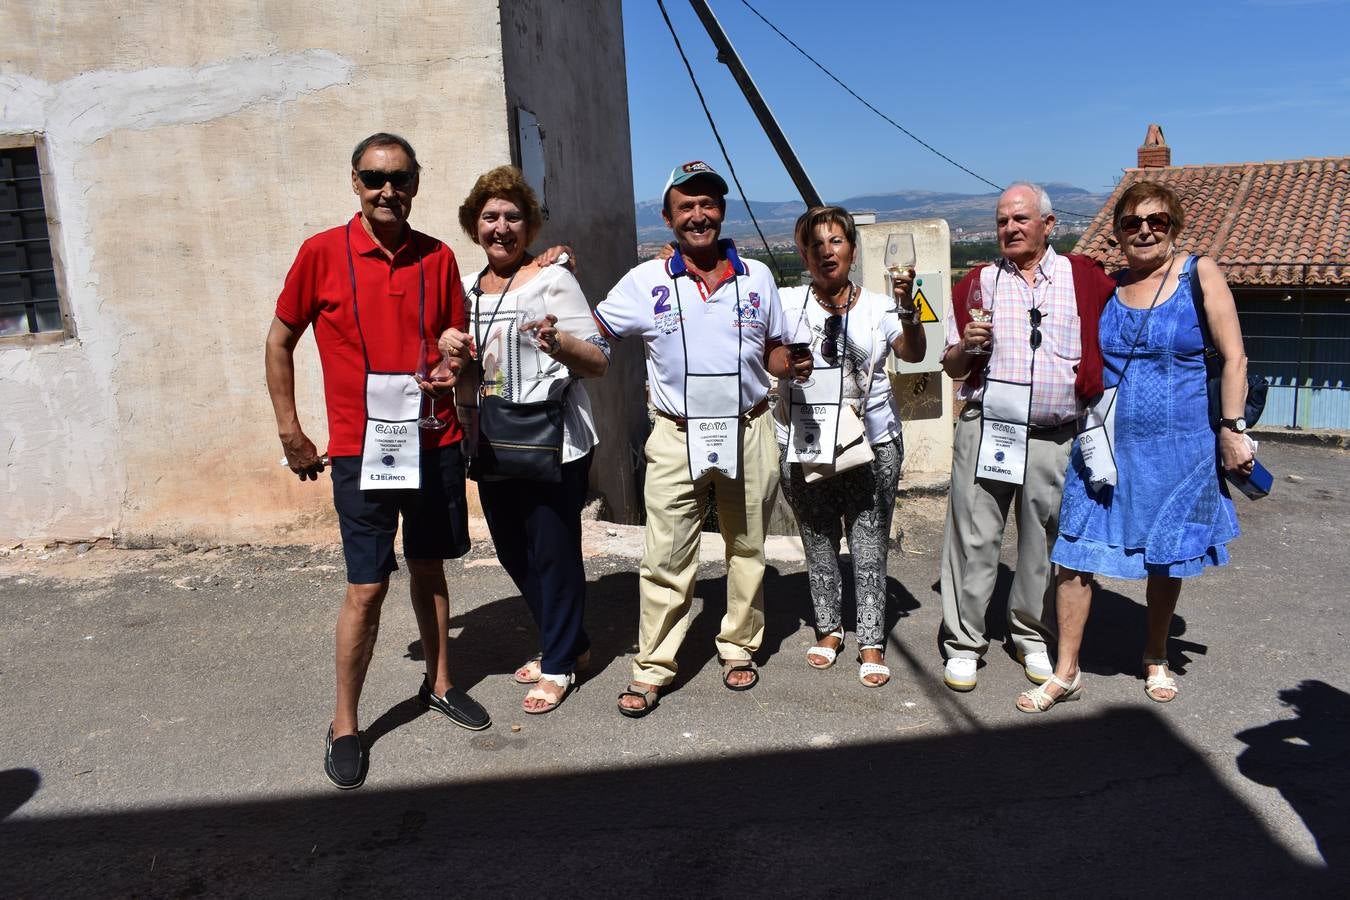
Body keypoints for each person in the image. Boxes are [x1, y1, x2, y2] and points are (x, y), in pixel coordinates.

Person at [265, 132, 489, 790]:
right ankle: (344, 724)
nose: (386, 190)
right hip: (362, 454)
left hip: (433, 443)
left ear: (416, 184)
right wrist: (290, 432)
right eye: (373, 178)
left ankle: (440, 684)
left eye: (399, 178)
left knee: (430, 568)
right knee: (366, 587)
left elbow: (455, 350)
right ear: (355, 183)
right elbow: (280, 341)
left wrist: (456, 364)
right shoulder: (321, 254)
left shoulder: (439, 258)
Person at [1017, 181, 1252, 712]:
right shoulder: (1109, 287)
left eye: (1157, 221)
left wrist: (1233, 429)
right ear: (1118, 232)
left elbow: (1234, 357)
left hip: (1179, 449)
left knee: (1164, 559)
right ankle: (1066, 671)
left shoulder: (1199, 274)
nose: (1144, 230)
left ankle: (1154, 653)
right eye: (1132, 222)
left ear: (1174, 227)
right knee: (1074, 555)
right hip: (1106, 446)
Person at [593, 160, 800, 717]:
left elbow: (775, 350)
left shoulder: (757, 277)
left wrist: (791, 364)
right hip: (675, 435)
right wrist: (546, 272)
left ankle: (738, 647)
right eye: (686, 205)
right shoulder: (646, 280)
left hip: (749, 428)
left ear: (721, 212)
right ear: (668, 216)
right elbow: (596, 330)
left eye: (708, 203)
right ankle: (654, 667)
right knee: (664, 555)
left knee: (749, 547)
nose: (698, 215)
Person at [437, 166, 609, 715]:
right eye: (490, 217)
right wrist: (450, 355)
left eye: (513, 216)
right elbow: (463, 372)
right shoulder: (464, 288)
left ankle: (559, 662)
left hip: (552, 440)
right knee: (513, 551)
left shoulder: (553, 279)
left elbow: (599, 359)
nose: (502, 227)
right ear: (474, 224)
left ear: (529, 224)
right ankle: (573, 642)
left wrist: (556, 341)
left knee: (554, 552)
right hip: (488, 438)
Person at [939, 182, 1115, 693]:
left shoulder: (1081, 280)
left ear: (1048, 224)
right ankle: (964, 641)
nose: (1010, 228)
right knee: (975, 537)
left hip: (1055, 436)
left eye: (1020, 219)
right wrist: (966, 349)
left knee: (1044, 541)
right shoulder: (977, 283)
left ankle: (1030, 634)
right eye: (1001, 221)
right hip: (989, 427)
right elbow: (950, 365)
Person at [775, 206, 926, 687]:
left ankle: (871, 637)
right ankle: (829, 628)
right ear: (803, 253)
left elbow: (914, 352)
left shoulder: (880, 306)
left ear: (852, 250)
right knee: (817, 538)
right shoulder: (787, 301)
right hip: (805, 439)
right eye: (815, 244)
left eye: (836, 241)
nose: (826, 252)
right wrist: (784, 365)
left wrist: (908, 304)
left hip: (872, 441)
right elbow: (762, 346)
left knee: (868, 539)